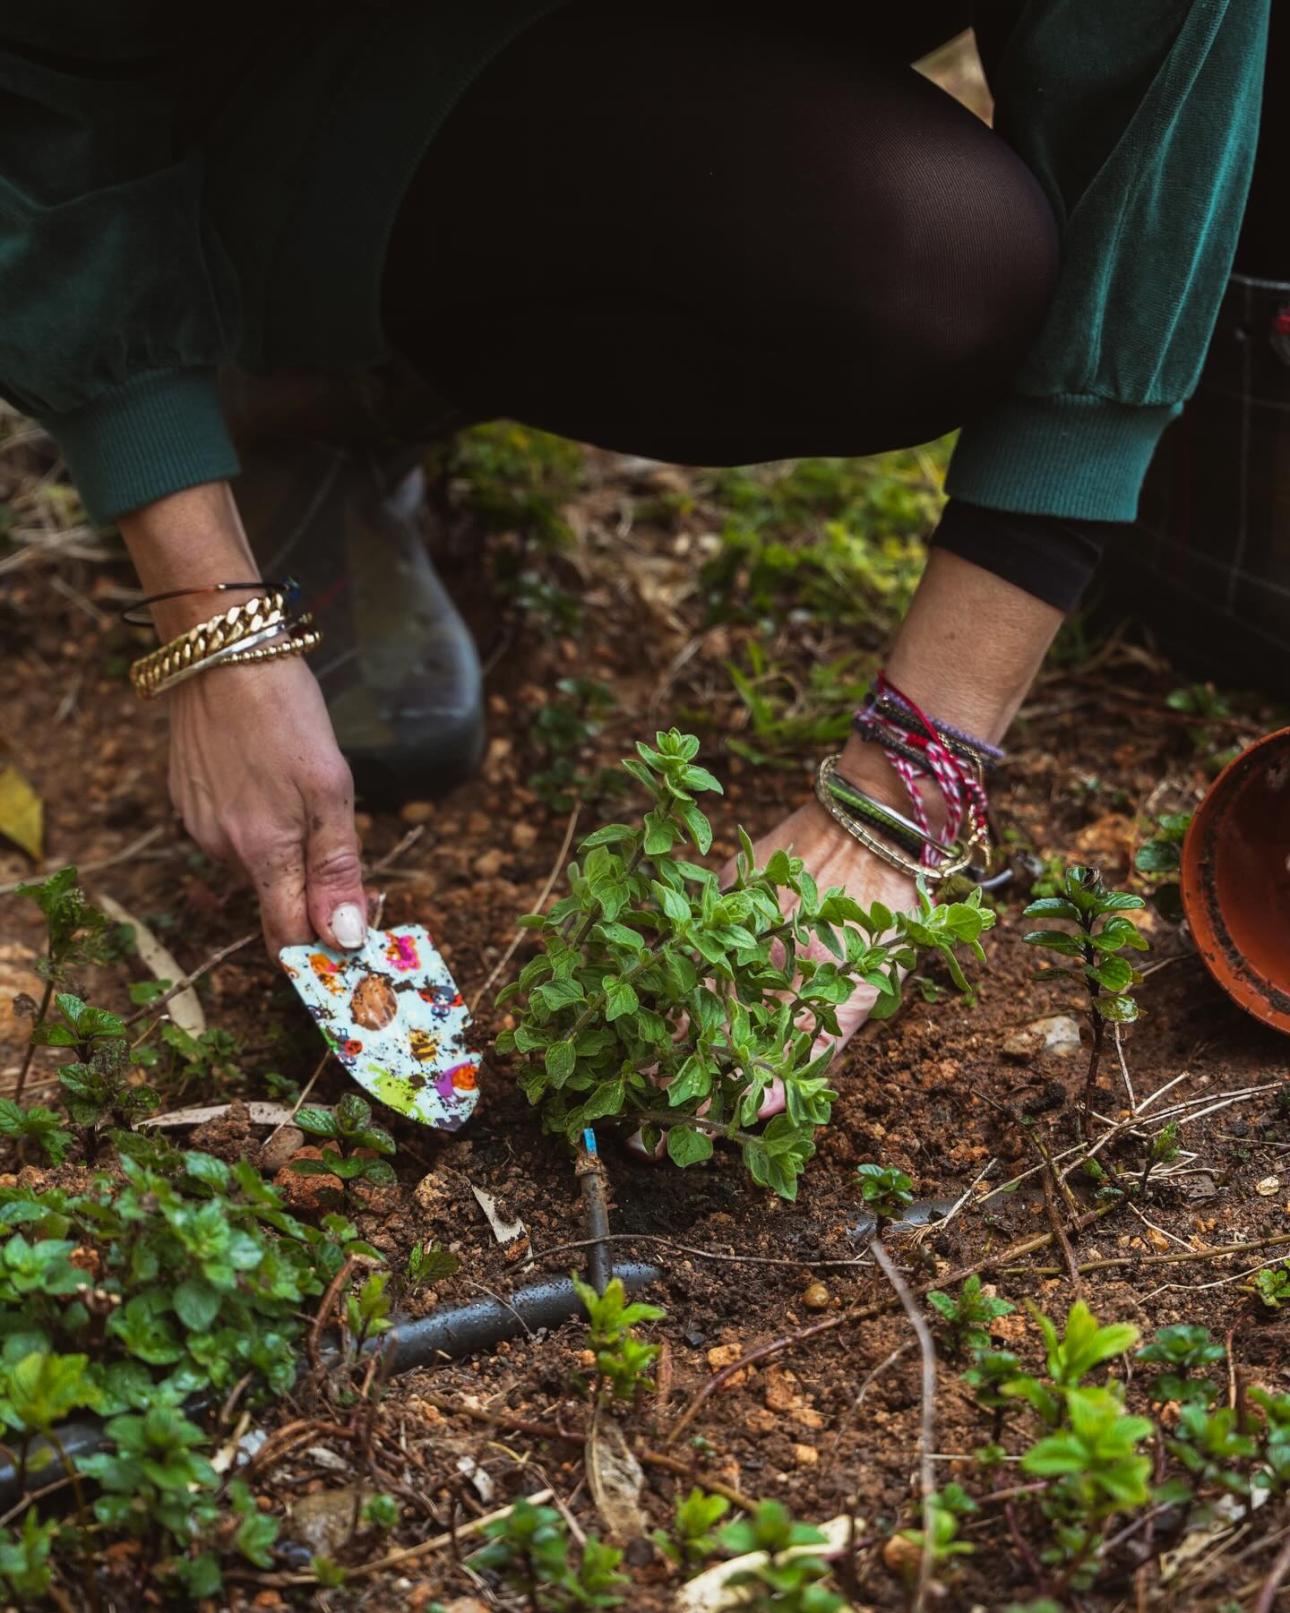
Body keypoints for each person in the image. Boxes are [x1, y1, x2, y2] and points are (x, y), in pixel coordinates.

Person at [0, 2, 1270, 1064]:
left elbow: (1156, 100)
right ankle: (278, 385)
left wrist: (901, 791)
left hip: (650, 73)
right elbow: (46, 89)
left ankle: (372, 373)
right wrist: (211, 618)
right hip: (283, 93)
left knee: (937, 260)